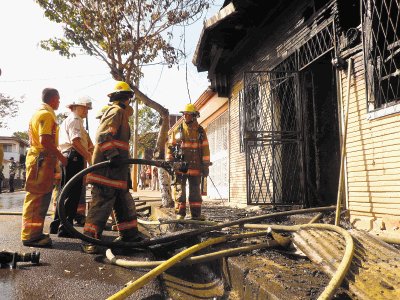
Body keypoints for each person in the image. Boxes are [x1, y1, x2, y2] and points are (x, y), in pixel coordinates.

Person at [81, 81, 144, 254]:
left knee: (124, 203)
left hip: (117, 171)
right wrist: (113, 155)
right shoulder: (116, 111)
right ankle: (89, 239)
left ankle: (129, 236)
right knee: (101, 204)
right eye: (128, 97)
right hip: (107, 170)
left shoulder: (121, 113)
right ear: (127, 98)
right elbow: (103, 136)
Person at [21, 88, 68, 248]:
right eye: (59, 99)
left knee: (39, 199)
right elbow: (45, 141)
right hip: (41, 160)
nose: (59, 102)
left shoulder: (40, 113)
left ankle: (34, 234)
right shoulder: (46, 115)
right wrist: (61, 157)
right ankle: (30, 236)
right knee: (37, 199)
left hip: (41, 160)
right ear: (53, 99)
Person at [50, 97, 94, 237]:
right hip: (74, 155)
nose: (86, 111)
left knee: (64, 191)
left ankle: (56, 225)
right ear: (76, 107)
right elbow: (75, 142)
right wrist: (87, 156)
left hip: (68, 155)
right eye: (85, 108)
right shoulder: (75, 120)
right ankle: (66, 228)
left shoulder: (69, 120)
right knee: (73, 193)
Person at [166, 103, 211, 220]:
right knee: (180, 191)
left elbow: (205, 148)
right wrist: (169, 158)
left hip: (196, 167)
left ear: (194, 116)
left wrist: (206, 165)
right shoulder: (178, 129)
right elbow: (170, 145)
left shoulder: (200, 131)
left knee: (195, 192)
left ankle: (196, 215)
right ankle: (180, 214)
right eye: (184, 114)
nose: (185, 117)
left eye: (188, 114)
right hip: (181, 167)